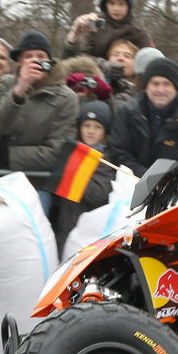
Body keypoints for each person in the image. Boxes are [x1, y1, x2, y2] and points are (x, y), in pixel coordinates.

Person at [0, 30, 79, 210]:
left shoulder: (66, 98)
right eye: (28, 57)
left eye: (41, 56)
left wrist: (9, 156)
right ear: (19, 62)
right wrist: (20, 89)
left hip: (36, 185)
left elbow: (56, 151)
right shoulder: (6, 84)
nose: (35, 61)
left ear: (50, 62)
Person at [106, 57, 178, 178]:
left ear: (176, 88)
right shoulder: (127, 112)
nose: (160, 90)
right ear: (146, 86)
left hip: (172, 188)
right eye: (155, 83)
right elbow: (118, 152)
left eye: (166, 84)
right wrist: (147, 177)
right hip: (130, 182)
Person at [52, 100, 117, 253]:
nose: (91, 131)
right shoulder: (71, 153)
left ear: (105, 132)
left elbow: (99, 194)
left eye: (97, 127)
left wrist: (75, 173)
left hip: (87, 232)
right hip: (64, 226)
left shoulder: (105, 160)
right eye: (86, 125)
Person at [63, 0, 152, 59]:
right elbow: (81, 55)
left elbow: (148, 58)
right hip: (96, 71)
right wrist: (103, 65)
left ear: (128, 6)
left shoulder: (137, 29)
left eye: (121, 4)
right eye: (112, 3)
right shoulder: (95, 23)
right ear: (105, 4)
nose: (116, 8)